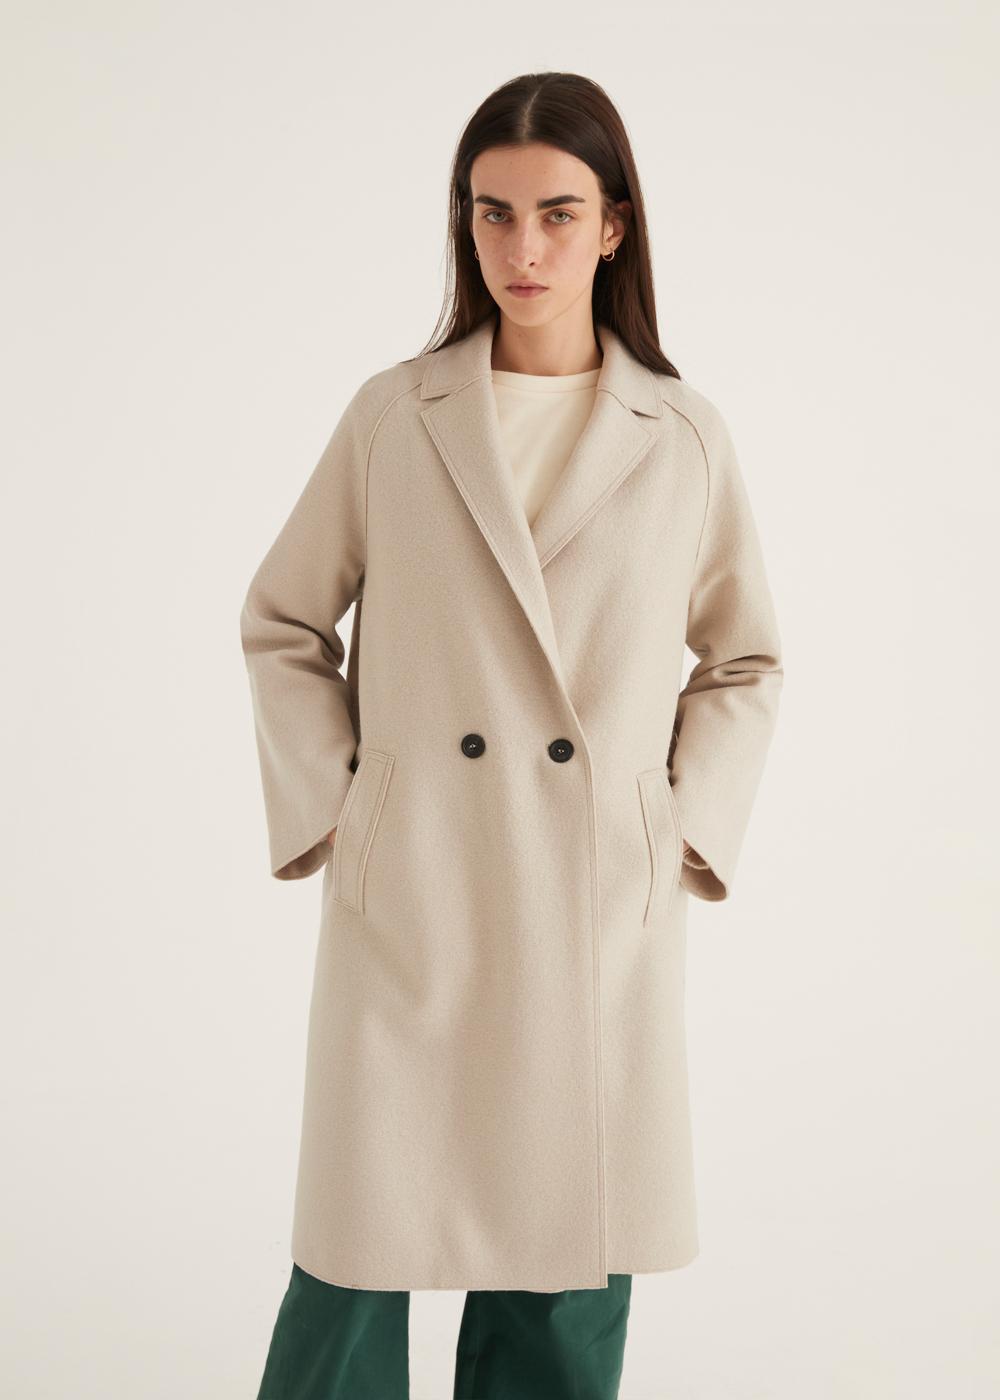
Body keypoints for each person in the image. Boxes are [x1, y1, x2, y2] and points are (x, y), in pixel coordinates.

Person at [241, 70, 783, 1400]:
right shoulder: (396, 414)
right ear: (464, 224)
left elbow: (745, 659)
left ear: (614, 227)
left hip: (590, 906)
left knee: (561, 1273)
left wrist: (672, 831)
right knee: (351, 1269)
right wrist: (347, 807)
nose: (521, 249)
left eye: (557, 214)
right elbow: (284, 620)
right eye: (492, 214)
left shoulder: (681, 435)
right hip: (415, 897)